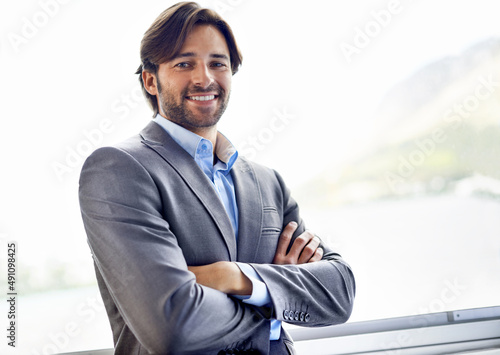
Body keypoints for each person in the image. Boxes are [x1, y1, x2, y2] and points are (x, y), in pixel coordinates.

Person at [79, 2, 355, 354]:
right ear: (150, 80)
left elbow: (339, 294)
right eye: (184, 63)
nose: (204, 78)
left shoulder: (268, 183)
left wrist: (231, 277)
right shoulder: (118, 169)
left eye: (217, 63)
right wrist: (273, 294)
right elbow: (172, 327)